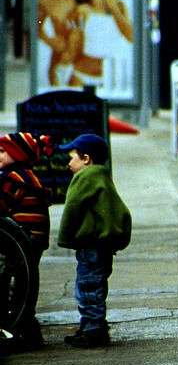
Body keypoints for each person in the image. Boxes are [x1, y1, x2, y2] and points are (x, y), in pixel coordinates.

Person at [57, 134, 131, 348]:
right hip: (103, 245)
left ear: (86, 158)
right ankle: (91, 324)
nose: (69, 163)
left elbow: (73, 207)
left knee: (87, 286)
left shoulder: (86, 177)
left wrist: (66, 237)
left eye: (72, 158)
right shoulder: (102, 176)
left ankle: (93, 330)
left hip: (91, 244)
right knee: (95, 286)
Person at [0, 132, 52, 349]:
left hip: (20, 239)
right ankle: (28, 329)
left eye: (3, 151)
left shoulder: (14, 178)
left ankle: (14, 329)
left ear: (17, 154)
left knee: (10, 283)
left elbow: (2, 206)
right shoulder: (30, 176)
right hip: (34, 240)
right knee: (24, 286)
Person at [36, 0, 77, 86]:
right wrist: (49, 41)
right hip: (61, 49)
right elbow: (37, 23)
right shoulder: (45, 0)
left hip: (84, 52)